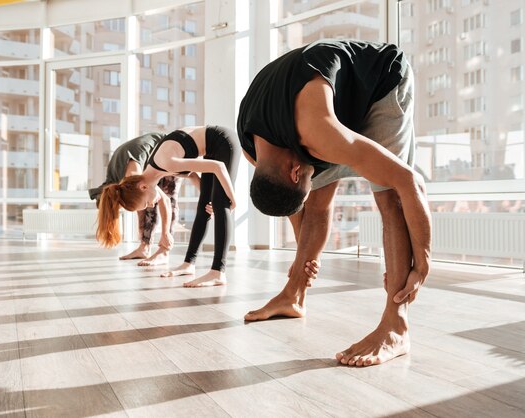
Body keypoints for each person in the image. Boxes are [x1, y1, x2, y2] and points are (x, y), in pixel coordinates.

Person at [237, 39, 431, 367]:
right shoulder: (255, 152)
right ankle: (294, 294)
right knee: (316, 204)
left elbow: (410, 183)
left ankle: (396, 325)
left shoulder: (318, 133)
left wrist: (423, 262)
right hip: (325, 108)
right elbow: (298, 206)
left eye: (305, 181)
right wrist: (303, 264)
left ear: (296, 171)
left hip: (379, 83)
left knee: (390, 197)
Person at [96, 126, 240, 287]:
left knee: (221, 204)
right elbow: (193, 175)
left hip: (224, 141)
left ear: (143, 187)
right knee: (204, 207)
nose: (150, 205)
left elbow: (218, 166)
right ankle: (189, 264)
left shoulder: (167, 164)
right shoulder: (159, 170)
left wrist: (231, 199)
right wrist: (208, 197)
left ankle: (218, 272)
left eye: (145, 203)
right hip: (212, 149)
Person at [89, 133, 180, 266]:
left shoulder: (135, 178)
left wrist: (165, 233)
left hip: (169, 149)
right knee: (142, 203)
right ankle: (144, 248)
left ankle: (164, 252)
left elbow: (164, 200)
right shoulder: (116, 185)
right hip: (147, 157)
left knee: (167, 197)